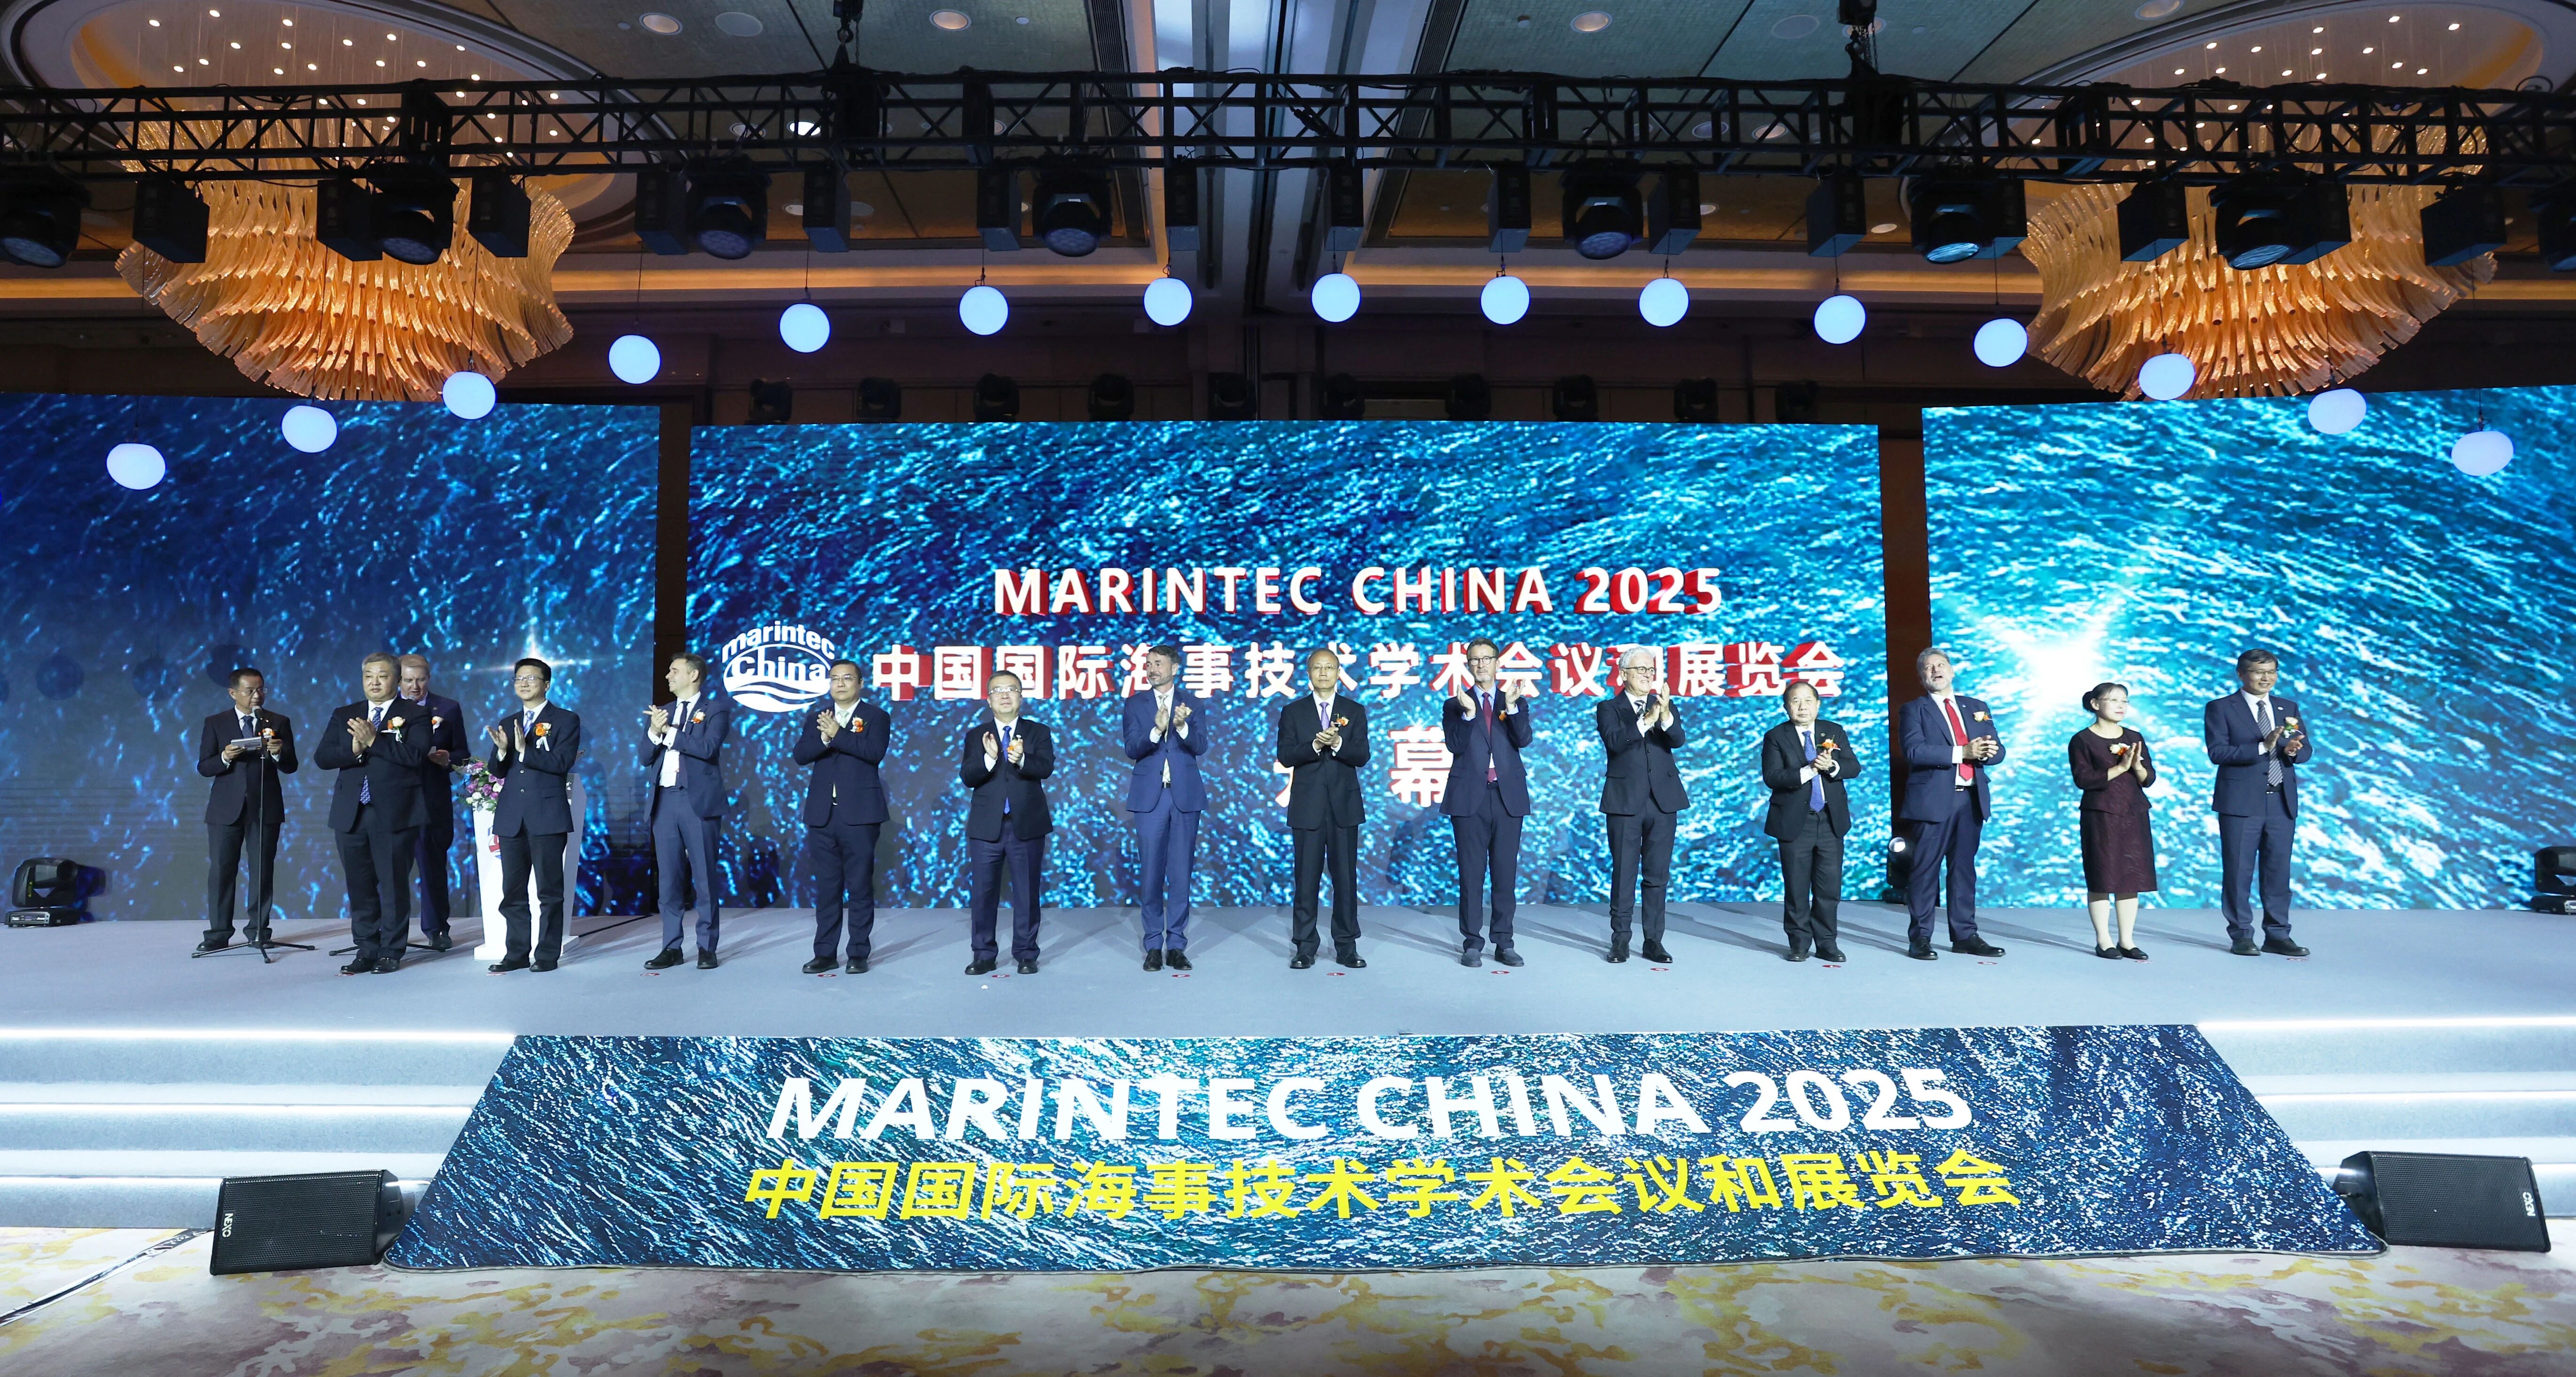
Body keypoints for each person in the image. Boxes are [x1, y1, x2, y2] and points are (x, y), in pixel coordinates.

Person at [314, 652, 429, 974]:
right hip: (351, 812)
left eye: (382, 676)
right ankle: (366, 948)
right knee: (359, 886)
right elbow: (323, 757)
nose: (374, 683)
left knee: (392, 885)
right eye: (368, 676)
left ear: (397, 680)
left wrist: (374, 740)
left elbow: (415, 756)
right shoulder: (345, 714)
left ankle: (391, 951)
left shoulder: (415, 714)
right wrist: (353, 750)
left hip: (394, 813)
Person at [1896, 646, 2006, 961]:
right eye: (1929, 668)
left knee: (1964, 871)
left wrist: (1989, 752)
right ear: (1922, 677)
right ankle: (1921, 937)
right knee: (1925, 870)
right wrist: (1963, 753)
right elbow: (1914, 751)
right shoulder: (1914, 710)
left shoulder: (1977, 707)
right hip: (1932, 801)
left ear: (1952, 670)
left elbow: (1998, 750)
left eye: (1941, 665)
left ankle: (1965, 936)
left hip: (1971, 799)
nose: (1936, 671)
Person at [2203, 649, 2313, 957]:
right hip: (2240, 803)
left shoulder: (2288, 707)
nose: (2266, 678)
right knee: (2238, 872)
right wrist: (2263, 747)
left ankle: (2278, 934)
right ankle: (2241, 935)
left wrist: (2293, 751)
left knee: (2278, 871)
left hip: (2281, 802)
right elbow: (2217, 753)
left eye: (2272, 672)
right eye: (2258, 672)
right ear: (2241, 674)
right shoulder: (2221, 708)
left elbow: (2306, 751)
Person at [794, 659, 890, 976]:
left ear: (860, 684)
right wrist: (825, 738)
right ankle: (825, 953)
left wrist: (837, 734)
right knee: (827, 888)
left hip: (860, 815)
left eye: (847, 678)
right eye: (835, 678)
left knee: (859, 886)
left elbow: (874, 752)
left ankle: (858, 952)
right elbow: (800, 755)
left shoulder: (876, 716)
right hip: (822, 815)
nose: (840, 684)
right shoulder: (817, 718)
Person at [1277, 646, 1370, 969]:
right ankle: (1305, 946)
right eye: (1317, 668)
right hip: (1307, 807)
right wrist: (1315, 745)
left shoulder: (1354, 710)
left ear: (1339, 672)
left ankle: (1346, 946)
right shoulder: (1293, 712)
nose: (1324, 673)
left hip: (1344, 806)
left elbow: (1362, 755)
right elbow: (1285, 756)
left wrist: (1338, 744)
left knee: (1345, 880)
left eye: (1329, 668)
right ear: (1309, 674)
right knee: (1306, 880)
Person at [1442, 636, 1532, 967]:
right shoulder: (1455, 704)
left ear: (1497, 663)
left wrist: (1512, 709)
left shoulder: (1514, 701)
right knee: (1471, 874)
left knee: (1505, 875)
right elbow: (1454, 745)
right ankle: (1472, 943)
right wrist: (1468, 715)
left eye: (1487, 659)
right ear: (1468, 665)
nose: (1481, 665)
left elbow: (1524, 739)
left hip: (1507, 798)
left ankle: (1504, 942)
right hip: (1470, 798)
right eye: (1475, 660)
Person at [486, 658, 580, 973]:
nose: (524, 684)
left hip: (547, 815)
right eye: (519, 679)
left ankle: (547, 955)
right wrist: (502, 751)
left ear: (547, 684)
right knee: (512, 891)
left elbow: (562, 762)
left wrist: (525, 750)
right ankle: (515, 953)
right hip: (512, 816)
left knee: (549, 891)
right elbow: (497, 770)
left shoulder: (566, 719)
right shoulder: (508, 720)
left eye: (531, 678)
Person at [194, 667, 297, 952]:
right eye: (250, 691)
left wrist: (278, 752)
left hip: (265, 807)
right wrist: (225, 757)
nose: (257, 696)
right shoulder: (216, 723)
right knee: (222, 871)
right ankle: (218, 934)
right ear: (233, 693)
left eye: (261, 690)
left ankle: (259, 931)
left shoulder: (278, 721)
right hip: (225, 809)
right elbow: (204, 766)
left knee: (262, 871)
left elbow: (291, 766)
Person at [642, 651, 732, 971]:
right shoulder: (662, 712)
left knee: (704, 877)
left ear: (693, 676)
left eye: (674, 671)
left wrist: (668, 733)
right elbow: (644, 756)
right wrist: (654, 732)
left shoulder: (715, 710)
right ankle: (671, 947)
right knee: (669, 880)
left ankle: (707, 947)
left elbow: (707, 749)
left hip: (697, 803)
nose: (668, 676)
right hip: (664, 802)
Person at [961, 670, 1053, 975]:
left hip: (1026, 824)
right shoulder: (977, 735)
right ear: (988, 700)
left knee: (1026, 893)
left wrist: (1021, 759)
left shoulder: (1038, 732)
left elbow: (1046, 768)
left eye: (1011, 689)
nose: (1004, 695)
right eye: (997, 691)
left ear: (1021, 697)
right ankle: (983, 954)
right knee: (983, 894)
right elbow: (968, 776)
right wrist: (989, 759)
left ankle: (1026, 954)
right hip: (986, 827)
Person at [1597, 646, 1685, 965]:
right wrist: (1646, 720)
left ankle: (1654, 941)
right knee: (1624, 873)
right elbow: (1615, 742)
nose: (1648, 675)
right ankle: (1620, 940)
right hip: (1625, 802)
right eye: (1641, 670)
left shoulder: (1663, 705)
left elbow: (1678, 740)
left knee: (1657, 875)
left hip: (1663, 802)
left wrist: (1665, 715)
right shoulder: (1609, 708)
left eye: (1651, 670)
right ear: (1624, 674)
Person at [1121, 644, 1207, 971]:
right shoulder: (1135, 703)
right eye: (1149, 664)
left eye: (1159, 663)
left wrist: (1182, 727)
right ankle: (1154, 945)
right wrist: (1157, 730)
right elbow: (1132, 748)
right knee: (1151, 874)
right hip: (1150, 798)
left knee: (1181, 874)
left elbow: (1201, 745)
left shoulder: (1193, 703)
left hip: (1184, 797)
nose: (1152, 669)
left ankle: (1178, 945)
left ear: (1175, 668)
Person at [1761, 680, 1857, 963]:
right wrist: (1809, 770)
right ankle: (1799, 943)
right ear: (1786, 707)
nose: (1802, 707)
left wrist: (1833, 766)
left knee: (1829, 888)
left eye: (1808, 701)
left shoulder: (1834, 731)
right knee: (1797, 887)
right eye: (1795, 701)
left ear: (1818, 704)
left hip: (1830, 821)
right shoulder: (1776, 736)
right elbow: (1772, 777)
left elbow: (1853, 766)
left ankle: (1827, 943)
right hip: (1795, 822)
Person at [2070, 682, 2157, 961]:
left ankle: (2127, 941)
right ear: (2095, 704)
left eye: (2125, 701)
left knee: (2131, 877)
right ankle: (2104, 940)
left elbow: (2149, 779)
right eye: (2114, 700)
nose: (2121, 706)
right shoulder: (2083, 740)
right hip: (2101, 815)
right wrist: (2120, 768)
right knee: (2102, 877)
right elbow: (2084, 779)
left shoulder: (2134, 737)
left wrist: (2137, 766)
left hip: (2133, 812)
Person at [397, 654, 468, 952]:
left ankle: (437, 929)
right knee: (390, 871)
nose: (415, 687)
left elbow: (462, 753)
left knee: (432, 867)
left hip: (431, 799)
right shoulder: (385, 709)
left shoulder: (448, 708)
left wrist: (448, 759)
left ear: (429, 678)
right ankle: (391, 934)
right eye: (408, 680)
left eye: (421, 680)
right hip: (393, 801)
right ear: (398, 680)